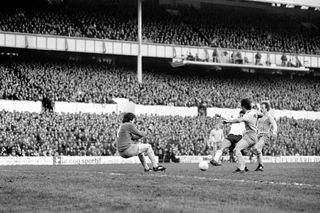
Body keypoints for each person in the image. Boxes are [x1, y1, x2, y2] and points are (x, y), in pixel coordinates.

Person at [222, 99, 258, 173]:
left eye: (241, 106)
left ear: (243, 106)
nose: (241, 108)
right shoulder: (254, 111)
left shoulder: (248, 115)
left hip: (250, 136)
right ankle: (242, 167)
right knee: (237, 149)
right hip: (252, 135)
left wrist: (228, 121)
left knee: (237, 149)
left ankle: (242, 169)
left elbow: (238, 120)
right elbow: (261, 114)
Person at [253, 101, 277, 171]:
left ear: (266, 109)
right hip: (259, 135)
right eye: (261, 108)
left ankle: (261, 165)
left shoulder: (269, 116)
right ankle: (260, 165)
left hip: (265, 135)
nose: (261, 109)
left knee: (256, 148)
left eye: (263, 108)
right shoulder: (261, 116)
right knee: (257, 150)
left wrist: (274, 132)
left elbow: (274, 124)